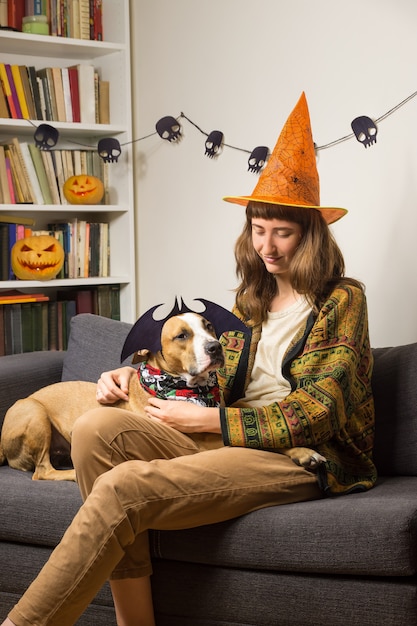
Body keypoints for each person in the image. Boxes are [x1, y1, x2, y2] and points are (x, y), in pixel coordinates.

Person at [2, 92, 376, 626]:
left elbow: (321, 411)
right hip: (221, 434)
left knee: (122, 486)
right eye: (257, 230)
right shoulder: (248, 302)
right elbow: (205, 370)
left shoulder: (342, 300)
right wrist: (138, 371)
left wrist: (212, 420)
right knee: (93, 429)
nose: (267, 246)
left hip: (299, 454)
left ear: (312, 234)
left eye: (284, 233)